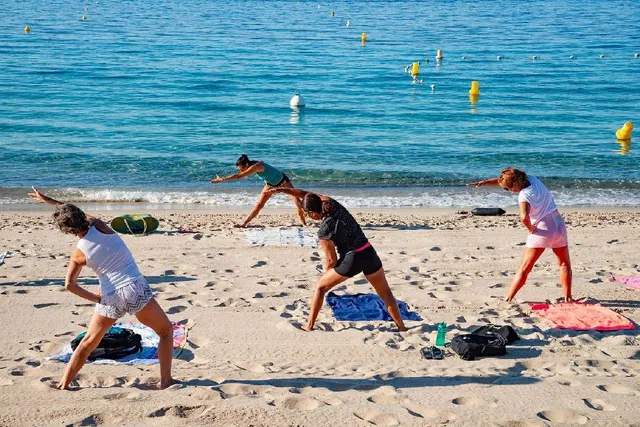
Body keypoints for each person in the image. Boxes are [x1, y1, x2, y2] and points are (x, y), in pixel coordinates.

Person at [28, 187, 176, 390]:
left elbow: (69, 285)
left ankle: (64, 382)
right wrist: (49, 200)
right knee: (166, 332)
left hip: (109, 296)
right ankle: (166, 381)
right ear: (81, 216)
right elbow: (72, 210)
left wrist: (97, 298)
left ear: (67, 230)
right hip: (134, 287)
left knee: (88, 343)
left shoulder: (77, 254)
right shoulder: (99, 226)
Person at [268, 187, 407, 332]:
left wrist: (327, 278)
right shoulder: (333, 204)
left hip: (353, 258)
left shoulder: (323, 231)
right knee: (386, 294)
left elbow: (331, 261)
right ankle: (401, 327)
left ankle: (309, 325)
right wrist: (282, 189)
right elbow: (306, 194)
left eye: (306, 213)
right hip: (369, 252)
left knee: (320, 288)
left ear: (312, 213)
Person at [467, 168, 572, 302]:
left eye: (508, 189)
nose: (509, 191)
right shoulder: (532, 179)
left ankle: (509, 298)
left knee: (524, 268)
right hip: (558, 225)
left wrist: (530, 228)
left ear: (515, 184)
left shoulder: (524, 195)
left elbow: (523, 217)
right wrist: (486, 182)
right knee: (564, 264)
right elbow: (506, 180)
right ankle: (568, 297)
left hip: (543, 229)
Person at [211, 154, 306, 228]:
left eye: (242, 168)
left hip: (283, 182)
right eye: (240, 169)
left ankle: (304, 224)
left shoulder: (256, 166)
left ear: (247, 164)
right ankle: (244, 223)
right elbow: (240, 174)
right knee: (259, 205)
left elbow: (239, 176)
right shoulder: (253, 166)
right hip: (270, 185)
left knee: (297, 202)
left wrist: (222, 179)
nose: (241, 171)